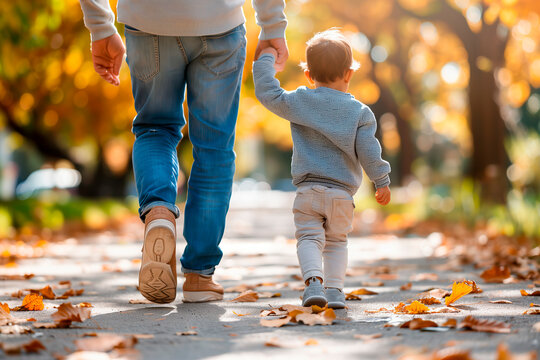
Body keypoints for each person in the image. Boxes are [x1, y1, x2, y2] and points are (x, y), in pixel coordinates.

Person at [78, 0, 288, 304]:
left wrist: (100, 26)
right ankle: (200, 276)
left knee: (155, 128)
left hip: (148, 23)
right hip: (220, 24)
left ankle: (159, 212)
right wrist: (272, 25)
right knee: (214, 149)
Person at [253, 29, 391, 309]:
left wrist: (266, 58)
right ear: (349, 73)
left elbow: (267, 92)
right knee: (337, 242)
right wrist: (381, 180)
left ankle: (313, 283)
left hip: (307, 191)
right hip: (341, 195)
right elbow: (369, 149)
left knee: (308, 238)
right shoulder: (360, 113)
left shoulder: (299, 101)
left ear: (308, 75)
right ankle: (335, 291)